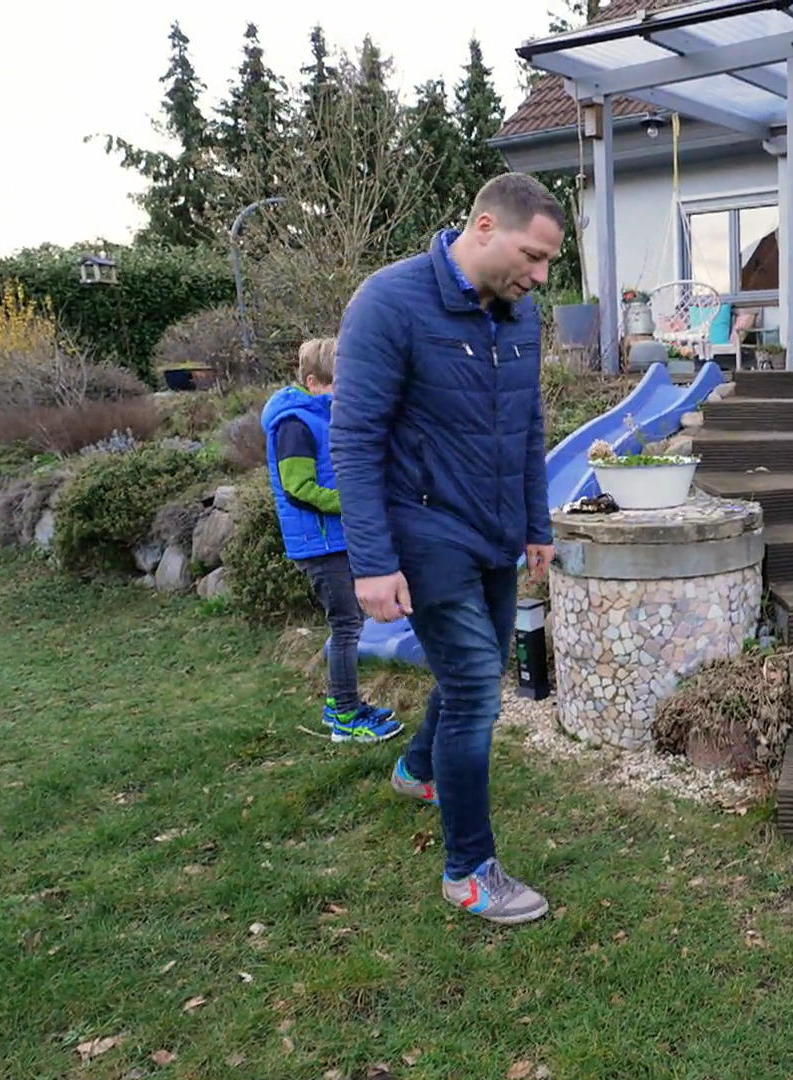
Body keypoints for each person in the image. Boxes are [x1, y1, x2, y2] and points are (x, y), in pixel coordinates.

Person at [330, 173, 562, 926]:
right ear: (486, 226)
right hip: (425, 533)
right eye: (533, 257)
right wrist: (370, 561)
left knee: (479, 672)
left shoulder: (520, 318)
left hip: (495, 530)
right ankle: (469, 871)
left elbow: (528, 426)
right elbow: (355, 438)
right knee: (472, 692)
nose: (540, 276)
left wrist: (537, 523)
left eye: (548, 264)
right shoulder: (389, 303)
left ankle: (417, 767)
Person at [260, 338, 402, 743]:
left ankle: (343, 701)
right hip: (320, 544)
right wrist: (352, 502)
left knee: (350, 623)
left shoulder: (322, 416)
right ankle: (344, 714)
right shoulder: (294, 423)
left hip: (336, 539)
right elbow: (297, 487)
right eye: (339, 383)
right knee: (346, 626)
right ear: (312, 381)